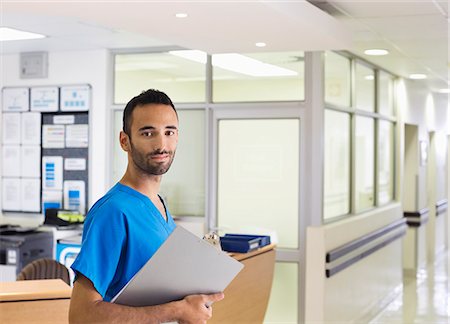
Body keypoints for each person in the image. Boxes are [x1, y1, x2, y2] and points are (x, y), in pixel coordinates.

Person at [69, 89, 224, 323]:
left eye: (169, 132)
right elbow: (82, 316)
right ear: (125, 141)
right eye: (148, 133)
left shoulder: (159, 205)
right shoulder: (112, 212)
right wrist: (177, 310)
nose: (161, 144)